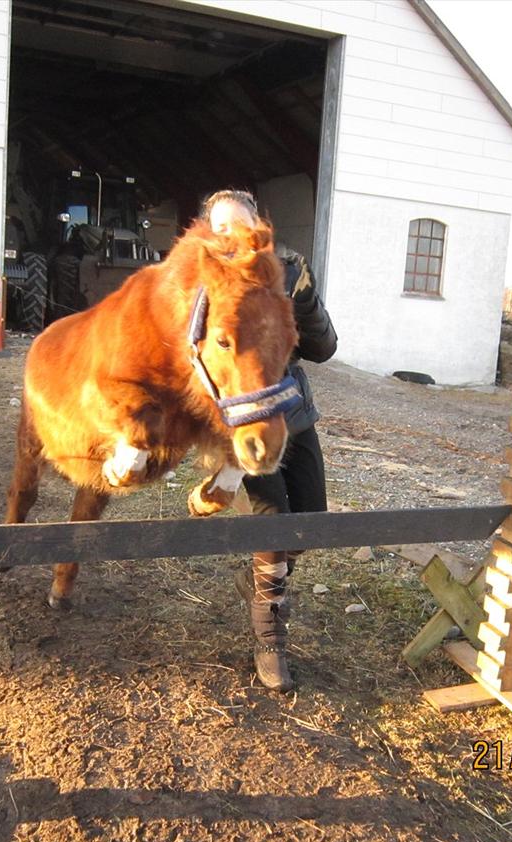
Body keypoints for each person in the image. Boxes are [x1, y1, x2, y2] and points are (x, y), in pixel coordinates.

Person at [200, 190, 338, 692]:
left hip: (293, 414)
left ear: (260, 228)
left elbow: (323, 348)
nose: (231, 239)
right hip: (240, 422)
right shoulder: (205, 282)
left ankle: (258, 582)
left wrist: (301, 297)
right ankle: (270, 642)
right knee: (273, 528)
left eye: (240, 227)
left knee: (311, 523)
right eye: (220, 230)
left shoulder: (288, 272)